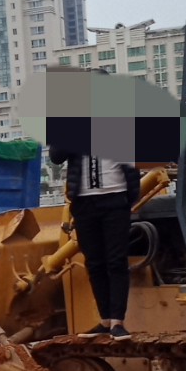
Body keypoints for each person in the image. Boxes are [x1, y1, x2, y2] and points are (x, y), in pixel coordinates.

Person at [47, 143, 138, 339]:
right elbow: (56, 156)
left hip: (115, 197)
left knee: (116, 261)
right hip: (84, 202)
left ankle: (117, 322)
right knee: (94, 263)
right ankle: (105, 320)